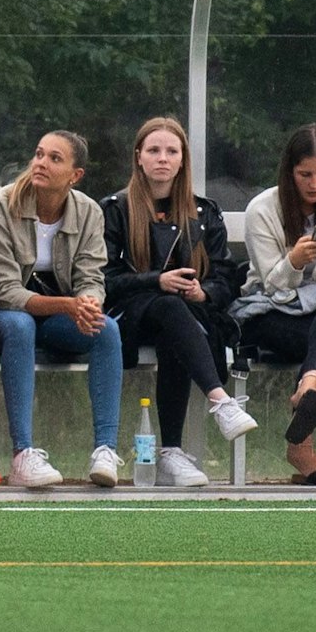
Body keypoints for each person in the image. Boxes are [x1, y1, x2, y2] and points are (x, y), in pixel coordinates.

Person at [102, 116, 257, 488]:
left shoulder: (204, 212)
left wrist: (204, 292)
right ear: (138, 157)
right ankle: (220, 402)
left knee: (177, 318)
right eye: (153, 150)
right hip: (128, 313)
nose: (162, 158)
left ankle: (171, 454)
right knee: (170, 307)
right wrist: (157, 279)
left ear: (183, 159)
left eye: (172, 151)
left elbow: (224, 277)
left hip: (188, 314)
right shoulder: (115, 208)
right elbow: (104, 280)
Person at [0, 131, 124, 489]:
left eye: (55, 159)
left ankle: (105, 449)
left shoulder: (89, 211)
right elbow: (2, 290)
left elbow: (92, 276)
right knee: (20, 326)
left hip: (60, 317)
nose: (41, 163)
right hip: (3, 314)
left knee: (106, 329)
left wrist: (89, 304)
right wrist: (67, 305)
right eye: (39, 154)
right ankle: (23, 454)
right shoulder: (1, 205)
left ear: (76, 175)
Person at [232, 124, 316, 486]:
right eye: (304, 174)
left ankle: (308, 386)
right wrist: (294, 260)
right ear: (289, 172)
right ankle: (303, 445)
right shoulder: (263, 208)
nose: (313, 184)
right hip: (272, 311)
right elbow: (271, 285)